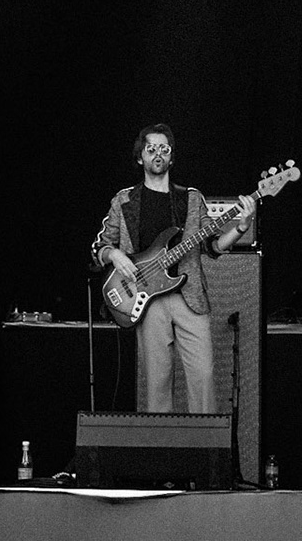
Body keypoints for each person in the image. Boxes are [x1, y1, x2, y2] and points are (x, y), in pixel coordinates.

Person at [91, 124, 255, 413]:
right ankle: (161, 454)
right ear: (140, 157)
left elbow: (214, 247)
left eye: (164, 149)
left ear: (172, 157)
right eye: (151, 148)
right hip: (147, 300)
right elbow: (98, 248)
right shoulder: (124, 201)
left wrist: (241, 227)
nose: (158, 154)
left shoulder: (191, 198)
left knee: (203, 378)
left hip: (189, 297)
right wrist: (115, 255)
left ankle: (205, 454)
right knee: (157, 384)